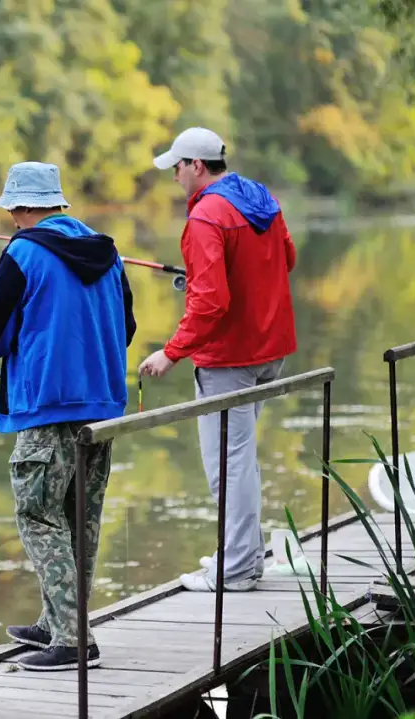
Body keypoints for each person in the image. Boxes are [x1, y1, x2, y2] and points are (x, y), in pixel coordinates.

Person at [0, 161, 136, 671]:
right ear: (57, 203)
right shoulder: (107, 252)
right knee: (79, 519)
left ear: (21, 207)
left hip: (46, 406)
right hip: (102, 406)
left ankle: (73, 640)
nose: (11, 218)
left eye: (11, 210)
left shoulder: (23, 252)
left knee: (38, 514)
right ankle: (56, 621)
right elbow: (126, 327)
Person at [137, 127, 297, 592]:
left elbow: (210, 303)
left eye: (177, 167)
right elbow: (285, 258)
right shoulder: (261, 197)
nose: (174, 177)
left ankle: (238, 569)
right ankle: (242, 552)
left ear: (197, 166)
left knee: (229, 465)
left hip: (229, 358)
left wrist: (171, 352)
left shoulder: (207, 215)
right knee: (240, 459)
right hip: (270, 350)